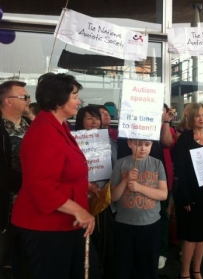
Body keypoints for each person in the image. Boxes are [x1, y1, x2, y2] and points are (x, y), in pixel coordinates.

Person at [11, 73, 100, 279]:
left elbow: (62, 171)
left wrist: (85, 187)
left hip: (65, 223)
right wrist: (79, 210)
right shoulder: (44, 131)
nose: (79, 101)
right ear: (59, 101)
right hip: (46, 228)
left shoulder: (59, 125)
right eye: (75, 95)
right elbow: (42, 186)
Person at [174, 103, 203, 279]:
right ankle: (185, 272)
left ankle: (197, 270)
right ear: (192, 118)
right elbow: (180, 169)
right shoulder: (184, 139)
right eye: (198, 115)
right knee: (190, 236)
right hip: (190, 194)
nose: (202, 118)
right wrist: (185, 198)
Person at [110, 139, 168, 279]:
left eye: (147, 145)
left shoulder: (157, 163)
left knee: (148, 268)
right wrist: (125, 180)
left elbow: (163, 194)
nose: (142, 148)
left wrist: (139, 187)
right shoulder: (121, 163)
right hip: (124, 225)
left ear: (152, 145)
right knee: (124, 267)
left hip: (150, 225)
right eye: (138, 144)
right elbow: (113, 197)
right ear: (130, 143)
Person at [75, 105, 117, 278]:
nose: (94, 122)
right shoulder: (72, 140)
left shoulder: (108, 141)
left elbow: (115, 165)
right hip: (80, 198)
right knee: (84, 244)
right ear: (81, 120)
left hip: (103, 197)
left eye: (97, 118)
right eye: (90, 118)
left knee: (106, 243)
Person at [0, 80, 30, 279]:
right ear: (8, 101)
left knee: (26, 262)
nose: (29, 100)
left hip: (29, 207)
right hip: (5, 207)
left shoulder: (31, 125)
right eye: (24, 97)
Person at [158, 103, 177, 269]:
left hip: (163, 177)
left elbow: (166, 142)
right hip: (142, 177)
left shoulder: (167, 128)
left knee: (163, 214)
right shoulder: (140, 126)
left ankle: (162, 251)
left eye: (161, 109)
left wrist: (165, 122)